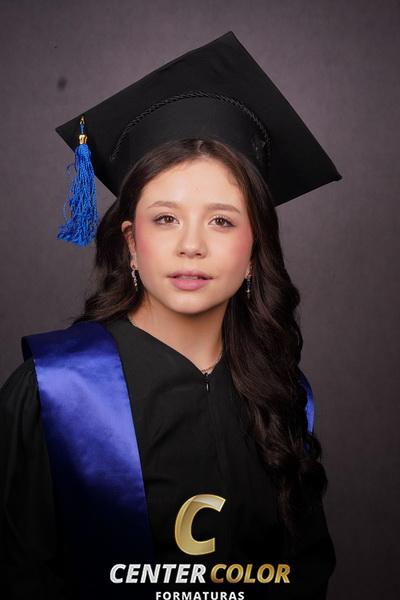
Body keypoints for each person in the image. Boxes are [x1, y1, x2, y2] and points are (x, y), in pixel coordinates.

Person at [0, 31, 341, 600]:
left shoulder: (282, 396)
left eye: (222, 221)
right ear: (131, 244)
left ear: (254, 250)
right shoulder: (55, 393)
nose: (191, 245)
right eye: (165, 219)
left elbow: (303, 573)